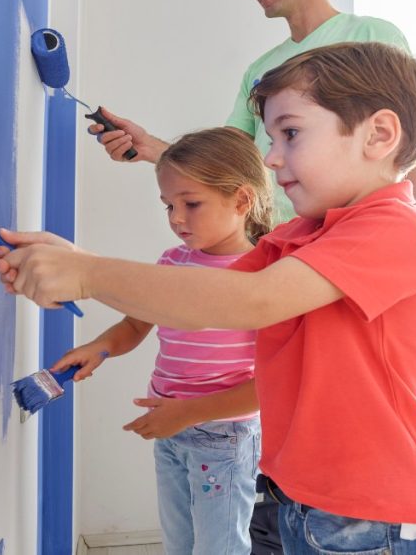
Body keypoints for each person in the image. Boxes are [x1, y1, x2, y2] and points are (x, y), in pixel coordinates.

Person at [0, 42, 416, 554]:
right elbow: (201, 292)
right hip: (302, 497)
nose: (271, 156)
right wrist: (71, 261)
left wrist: (86, 274)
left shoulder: (394, 230)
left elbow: (250, 301)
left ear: (380, 135)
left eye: (291, 133)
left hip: (379, 513)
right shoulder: (303, 234)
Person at [92, 0, 416, 223]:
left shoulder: (372, 37)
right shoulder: (260, 70)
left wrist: (402, 220)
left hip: (354, 230)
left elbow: (414, 137)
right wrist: (151, 146)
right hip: (273, 239)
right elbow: (229, 159)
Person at [47, 127, 275, 555]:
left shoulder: (266, 275)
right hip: (169, 427)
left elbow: (268, 388)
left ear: (242, 201)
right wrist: (97, 347)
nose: (175, 218)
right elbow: (135, 325)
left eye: (191, 204)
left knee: (219, 549)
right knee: (179, 543)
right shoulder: (172, 262)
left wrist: (186, 414)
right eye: (169, 205)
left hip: (223, 436)